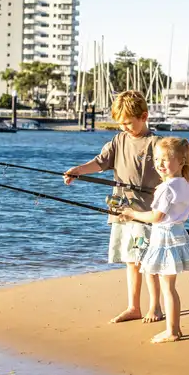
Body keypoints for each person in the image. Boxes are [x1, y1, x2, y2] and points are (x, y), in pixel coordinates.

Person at [63, 91, 164, 324]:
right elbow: (100, 162)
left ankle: (155, 307)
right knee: (131, 260)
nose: (124, 127)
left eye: (128, 123)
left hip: (145, 214)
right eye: (121, 124)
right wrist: (77, 170)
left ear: (144, 116)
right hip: (122, 211)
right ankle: (133, 307)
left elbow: (171, 176)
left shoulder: (156, 144)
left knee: (147, 261)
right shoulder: (119, 140)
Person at [118, 136, 189, 343]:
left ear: (181, 162)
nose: (160, 164)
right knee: (154, 273)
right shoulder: (185, 185)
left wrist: (131, 214)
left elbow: (156, 217)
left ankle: (173, 331)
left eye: (166, 159)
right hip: (177, 236)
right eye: (157, 159)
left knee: (168, 288)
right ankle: (164, 318)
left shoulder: (166, 188)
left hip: (165, 239)